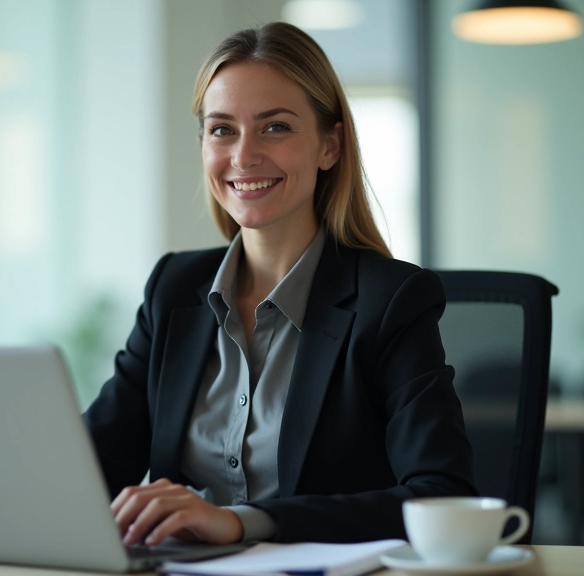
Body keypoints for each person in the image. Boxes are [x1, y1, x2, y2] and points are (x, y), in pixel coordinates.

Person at [83, 21, 476, 546]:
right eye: (222, 129)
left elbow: (441, 496)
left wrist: (243, 522)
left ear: (329, 146)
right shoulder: (173, 289)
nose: (243, 156)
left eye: (275, 127)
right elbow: (88, 467)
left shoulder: (391, 302)